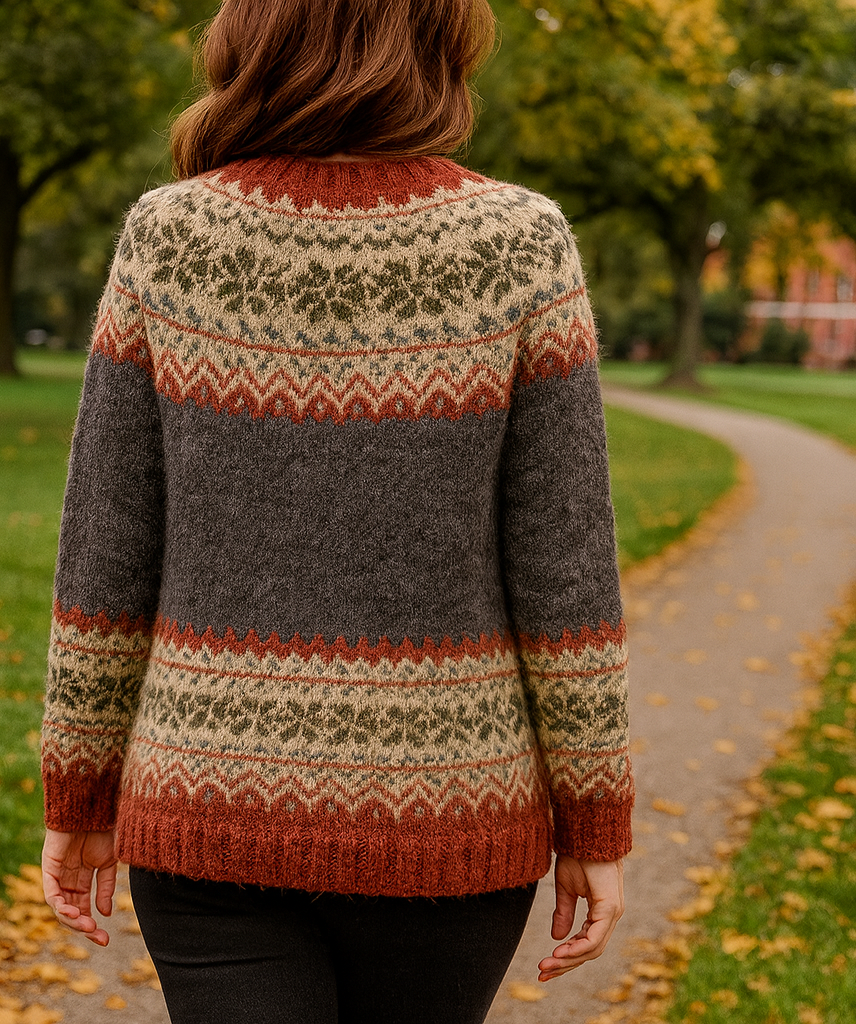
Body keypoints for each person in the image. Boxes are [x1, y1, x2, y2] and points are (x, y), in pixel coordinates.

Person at [39, 1, 634, 1021]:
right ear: (439, 37)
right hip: (446, 810)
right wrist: (593, 816)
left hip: (210, 794)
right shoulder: (520, 244)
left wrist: (80, 785)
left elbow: (108, 546)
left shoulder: (170, 237)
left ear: (255, 32)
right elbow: (564, 567)